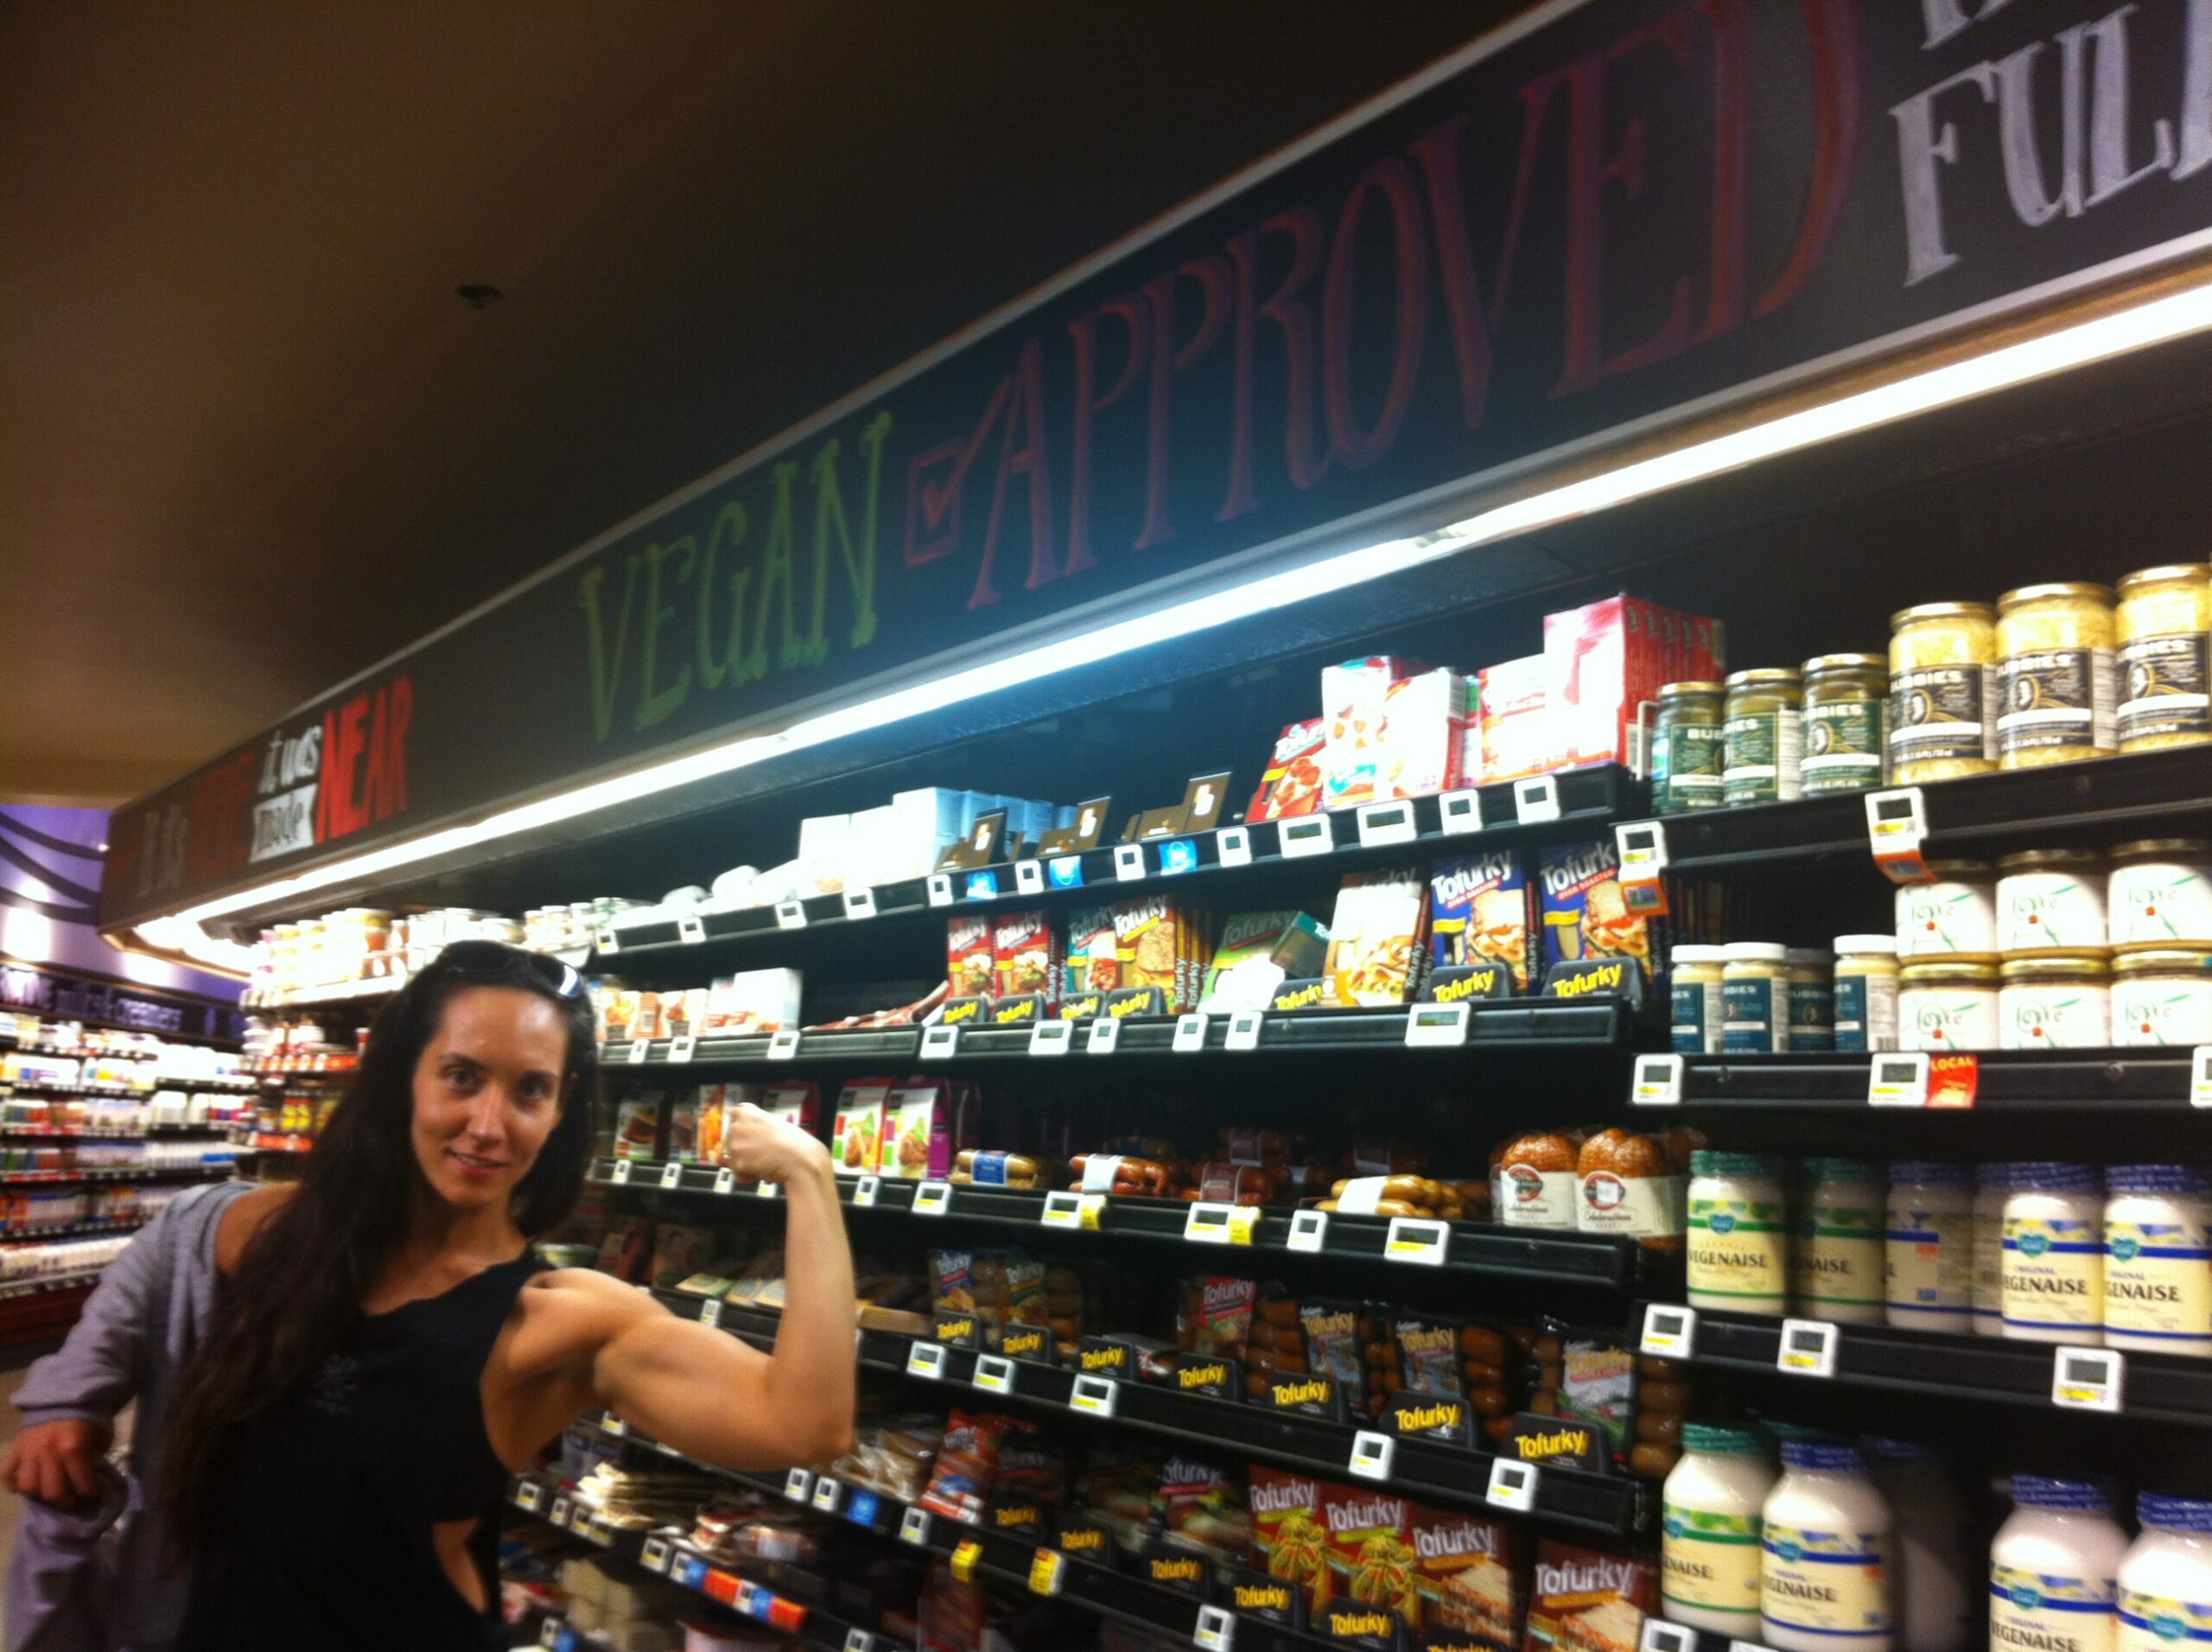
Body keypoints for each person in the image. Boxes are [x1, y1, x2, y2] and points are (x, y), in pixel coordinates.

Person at [3, 940, 855, 1652]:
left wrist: (809, 1176)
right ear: (407, 1076)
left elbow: (806, 1424)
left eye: (529, 1089)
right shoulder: (273, 1235)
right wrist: (69, 1397)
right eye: (461, 1076)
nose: (489, 1124)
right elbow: (168, 1243)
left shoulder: (559, 1319)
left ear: (562, 1108)